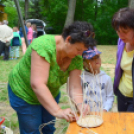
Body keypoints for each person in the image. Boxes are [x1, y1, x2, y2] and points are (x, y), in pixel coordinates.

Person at [8, 21, 96, 134]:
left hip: (50, 92)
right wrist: (58, 110)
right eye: (78, 50)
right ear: (68, 40)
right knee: (32, 130)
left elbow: (74, 86)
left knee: (48, 128)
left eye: (83, 51)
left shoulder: (76, 57)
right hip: (25, 93)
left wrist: (80, 104)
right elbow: (38, 84)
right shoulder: (43, 46)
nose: (80, 54)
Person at [112, 7, 134, 112]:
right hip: (121, 94)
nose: (120, 36)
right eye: (118, 31)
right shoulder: (121, 42)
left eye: (125, 31)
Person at [81, 47, 114, 112]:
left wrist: (105, 109)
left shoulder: (107, 78)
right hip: (87, 115)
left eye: (97, 57)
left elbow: (110, 97)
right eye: (92, 58)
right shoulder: (82, 78)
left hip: (102, 115)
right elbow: (78, 96)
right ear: (85, 63)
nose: (96, 60)